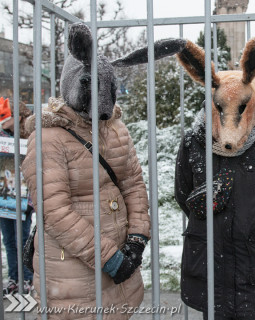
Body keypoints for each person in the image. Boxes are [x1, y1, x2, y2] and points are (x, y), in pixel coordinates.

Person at [22, 23, 185, 319]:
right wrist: (108, 257)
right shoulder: (48, 138)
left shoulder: (116, 130)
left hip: (121, 265)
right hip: (73, 273)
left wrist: (137, 237)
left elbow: (133, 184)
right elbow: (54, 210)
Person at [175, 36, 255, 320]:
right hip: (209, 255)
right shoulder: (194, 142)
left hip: (251, 256)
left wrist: (251, 222)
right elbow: (184, 194)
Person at [0, 97, 34, 295]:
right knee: (9, 240)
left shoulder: (30, 138)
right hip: (5, 197)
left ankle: (27, 278)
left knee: (22, 240)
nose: (2, 120)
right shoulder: (2, 136)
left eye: (6, 116)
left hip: (23, 199)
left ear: (18, 117)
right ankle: (14, 278)